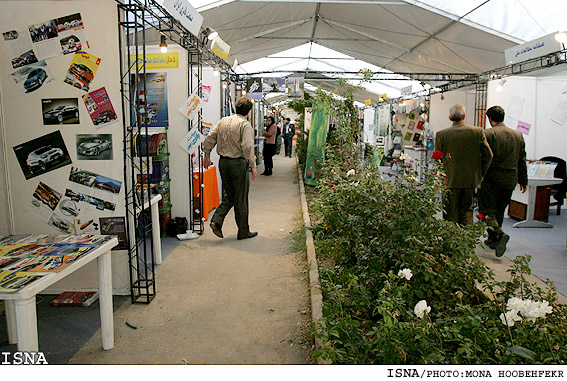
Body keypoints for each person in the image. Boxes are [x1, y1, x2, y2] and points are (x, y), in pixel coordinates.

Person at [203, 96, 258, 240]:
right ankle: (243, 231)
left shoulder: (223, 121)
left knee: (231, 195)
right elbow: (247, 146)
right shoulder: (245, 125)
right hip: (238, 164)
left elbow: (210, 137)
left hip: (223, 163)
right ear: (248, 111)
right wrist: (252, 164)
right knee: (240, 198)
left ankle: (217, 220)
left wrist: (207, 154)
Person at [479, 105, 528, 257]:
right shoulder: (518, 135)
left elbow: (483, 157)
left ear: (489, 118)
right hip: (510, 178)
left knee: (487, 209)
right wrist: (523, 180)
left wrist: (478, 176)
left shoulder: (487, 134)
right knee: (500, 209)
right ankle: (493, 239)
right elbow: (522, 159)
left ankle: (498, 234)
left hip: (491, 177)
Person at [435, 104, 493, 225]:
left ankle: (451, 239)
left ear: (450, 118)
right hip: (470, 179)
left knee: (450, 211)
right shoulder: (477, 132)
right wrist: (481, 173)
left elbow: (438, 159)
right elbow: (488, 155)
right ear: (464, 116)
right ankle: (466, 240)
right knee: (467, 211)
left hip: (449, 179)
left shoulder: (442, 135)